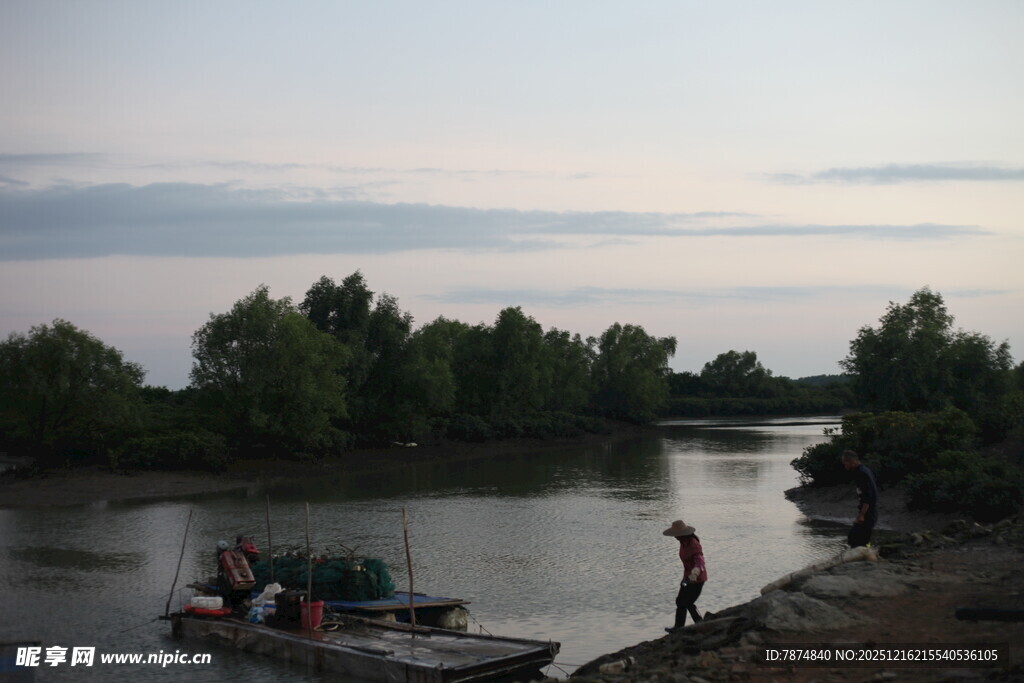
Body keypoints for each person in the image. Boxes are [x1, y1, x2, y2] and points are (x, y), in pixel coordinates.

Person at [663, 520, 707, 632]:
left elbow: (700, 561)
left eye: (676, 534)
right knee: (680, 601)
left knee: (687, 602)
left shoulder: (693, 544)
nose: (675, 537)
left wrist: (695, 573)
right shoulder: (683, 542)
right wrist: (688, 577)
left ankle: (699, 623)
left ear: (683, 534)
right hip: (687, 577)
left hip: (697, 578)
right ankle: (679, 627)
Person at [841, 450, 878, 548]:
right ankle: (866, 549)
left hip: (868, 512)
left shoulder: (862, 473)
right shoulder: (864, 470)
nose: (845, 466)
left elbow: (868, 497)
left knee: (856, 539)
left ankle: (865, 552)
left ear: (852, 461)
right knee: (856, 537)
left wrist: (862, 515)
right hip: (868, 511)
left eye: (845, 464)